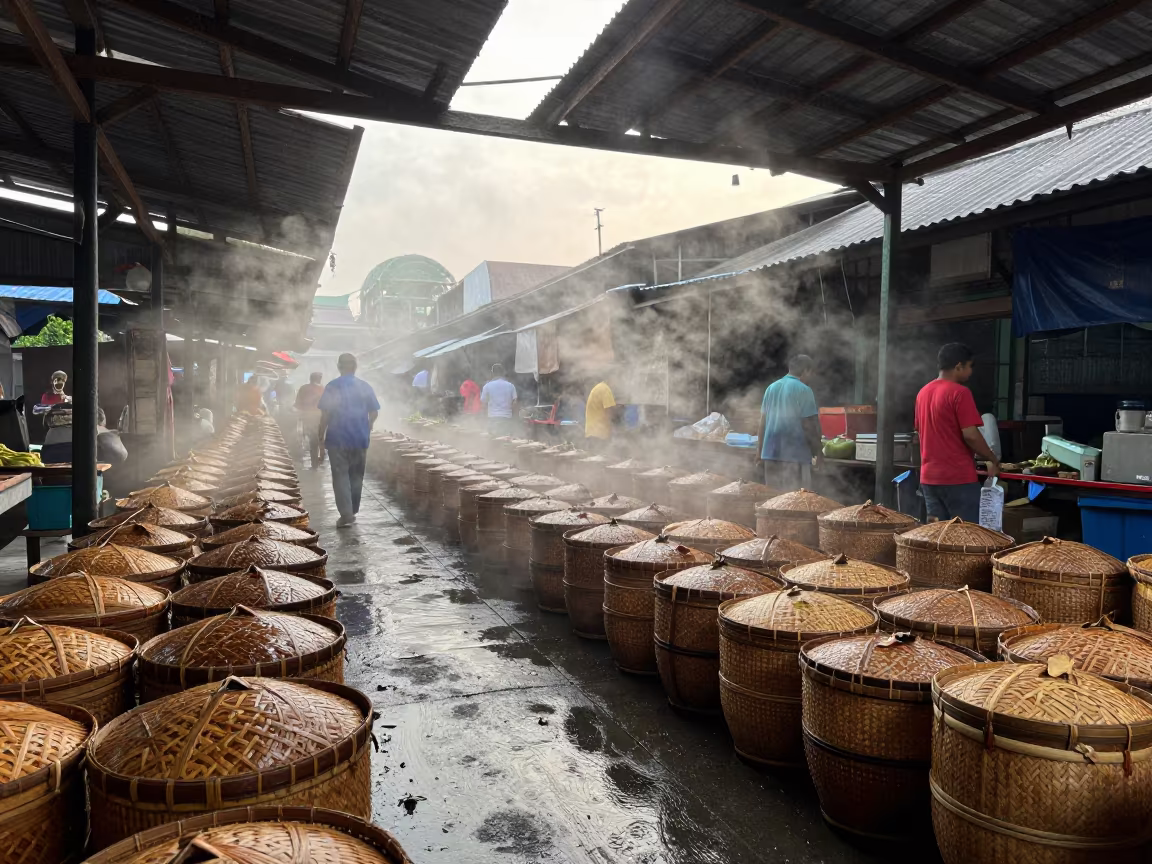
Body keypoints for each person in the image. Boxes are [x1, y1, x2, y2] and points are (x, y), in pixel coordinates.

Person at [915, 343, 1000, 523]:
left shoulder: (922, 393)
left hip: (929, 479)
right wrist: (991, 458)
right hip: (957, 479)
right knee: (965, 540)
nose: (971, 372)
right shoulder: (960, 393)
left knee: (936, 538)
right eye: (970, 366)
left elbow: (920, 432)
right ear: (958, 366)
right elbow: (970, 434)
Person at [318, 353, 380, 527]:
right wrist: (367, 427)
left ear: (339, 367)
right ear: (355, 367)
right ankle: (352, 511)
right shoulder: (364, 386)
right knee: (356, 476)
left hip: (337, 439)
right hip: (360, 439)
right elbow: (374, 413)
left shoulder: (332, 386)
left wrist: (320, 437)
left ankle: (346, 515)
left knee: (340, 476)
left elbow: (325, 415)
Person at [760, 354, 823, 490]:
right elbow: (809, 425)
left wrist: (759, 452)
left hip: (770, 454)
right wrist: (818, 451)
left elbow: (762, 423)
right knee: (797, 503)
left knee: (772, 501)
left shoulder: (771, 388)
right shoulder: (804, 390)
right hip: (796, 456)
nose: (810, 377)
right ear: (806, 370)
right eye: (811, 373)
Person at [294, 372, 325, 469]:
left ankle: (315, 463)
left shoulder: (303, 388)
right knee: (320, 439)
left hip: (307, 417)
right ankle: (321, 458)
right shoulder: (323, 389)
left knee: (312, 440)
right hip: (321, 417)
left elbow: (297, 404)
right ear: (319, 379)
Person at [480, 364, 517, 437]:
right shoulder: (511, 385)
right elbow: (515, 403)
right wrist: (513, 415)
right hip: (506, 419)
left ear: (492, 373)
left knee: (493, 441)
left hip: (492, 418)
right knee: (506, 441)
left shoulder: (487, 386)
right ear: (503, 373)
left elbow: (483, 403)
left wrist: (484, 417)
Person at [584, 378, 620, 447]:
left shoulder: (599, 387)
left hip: (592, 433)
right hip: (600, 434)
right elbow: (609, 412)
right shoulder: (606, 390)